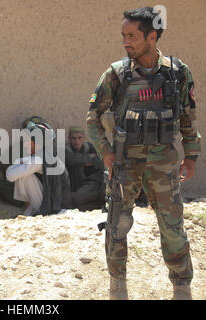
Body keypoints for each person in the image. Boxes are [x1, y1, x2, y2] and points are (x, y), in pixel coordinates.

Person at [86, 7, 201, 300]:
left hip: (164, 164)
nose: (126, 41)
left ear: (152, 36)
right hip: (125, 164)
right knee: (117, 224)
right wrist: (107, 154)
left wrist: (191, 155)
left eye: (132, 36)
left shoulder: (177, 72)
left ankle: (181, 286)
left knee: (172, 226)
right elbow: (93, 118)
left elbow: (188, 117)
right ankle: (118, 285)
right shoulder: (117, 73)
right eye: (123, 36)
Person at [6, 119, 72, 216]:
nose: (24, 144)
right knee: (25, 172)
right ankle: (30, 209)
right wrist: (22, 161)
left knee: (24, 175)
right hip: (57, 203)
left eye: (27, 141)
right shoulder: (46, 155)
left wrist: (19, 162)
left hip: (56, 206)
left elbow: (10, 175)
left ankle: (31, 209)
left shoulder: (40, 159)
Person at [0, 116, 47, 208]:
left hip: (43, 184)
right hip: (20, 183)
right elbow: (7, 171)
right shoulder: (16, 148)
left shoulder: (46, 147)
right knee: (1, 184)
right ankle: (24, 204)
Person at [65, 126, 105, 211]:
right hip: (74, 185)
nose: (77, 141)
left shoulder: (89, 147)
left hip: (92, 183)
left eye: (80, 138)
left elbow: (101, 162)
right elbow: (72, 160)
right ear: (69, 138)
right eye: (73, 138)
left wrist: (83, 159)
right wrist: (89, 159)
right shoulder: (65, 150)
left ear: (84, 138)